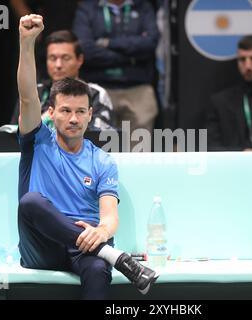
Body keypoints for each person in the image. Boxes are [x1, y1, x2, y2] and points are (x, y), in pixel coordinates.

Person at [16, 14, 158, 300]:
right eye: (66, 111)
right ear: (51, 113)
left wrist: (102, 232)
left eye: (80, 112)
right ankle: (115, 256)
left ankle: (106, 253)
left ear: (90, 115)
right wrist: (27, 42)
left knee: (97, 270)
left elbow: (109, 217)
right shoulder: (38, 140)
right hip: (41, 247)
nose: (73, 118)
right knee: (30, 202)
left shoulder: (102, 160)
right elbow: (29, 97)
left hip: (86, 246)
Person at [73, 0, 160, 142]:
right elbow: (85, 49)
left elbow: (150, 43)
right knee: (99, 152)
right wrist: (131, 58)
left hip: (138, 90)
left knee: (139, 155)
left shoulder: (143, 6)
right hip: (97, 91)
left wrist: (108, 43)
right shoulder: (88, 8)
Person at [11, 29, 115, 131]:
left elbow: (100, 137)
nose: (58, 65)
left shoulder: (95, 94)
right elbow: (13, 135)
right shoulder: (34, 93)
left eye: (65, 58)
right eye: (52, 58)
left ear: (80, 60)